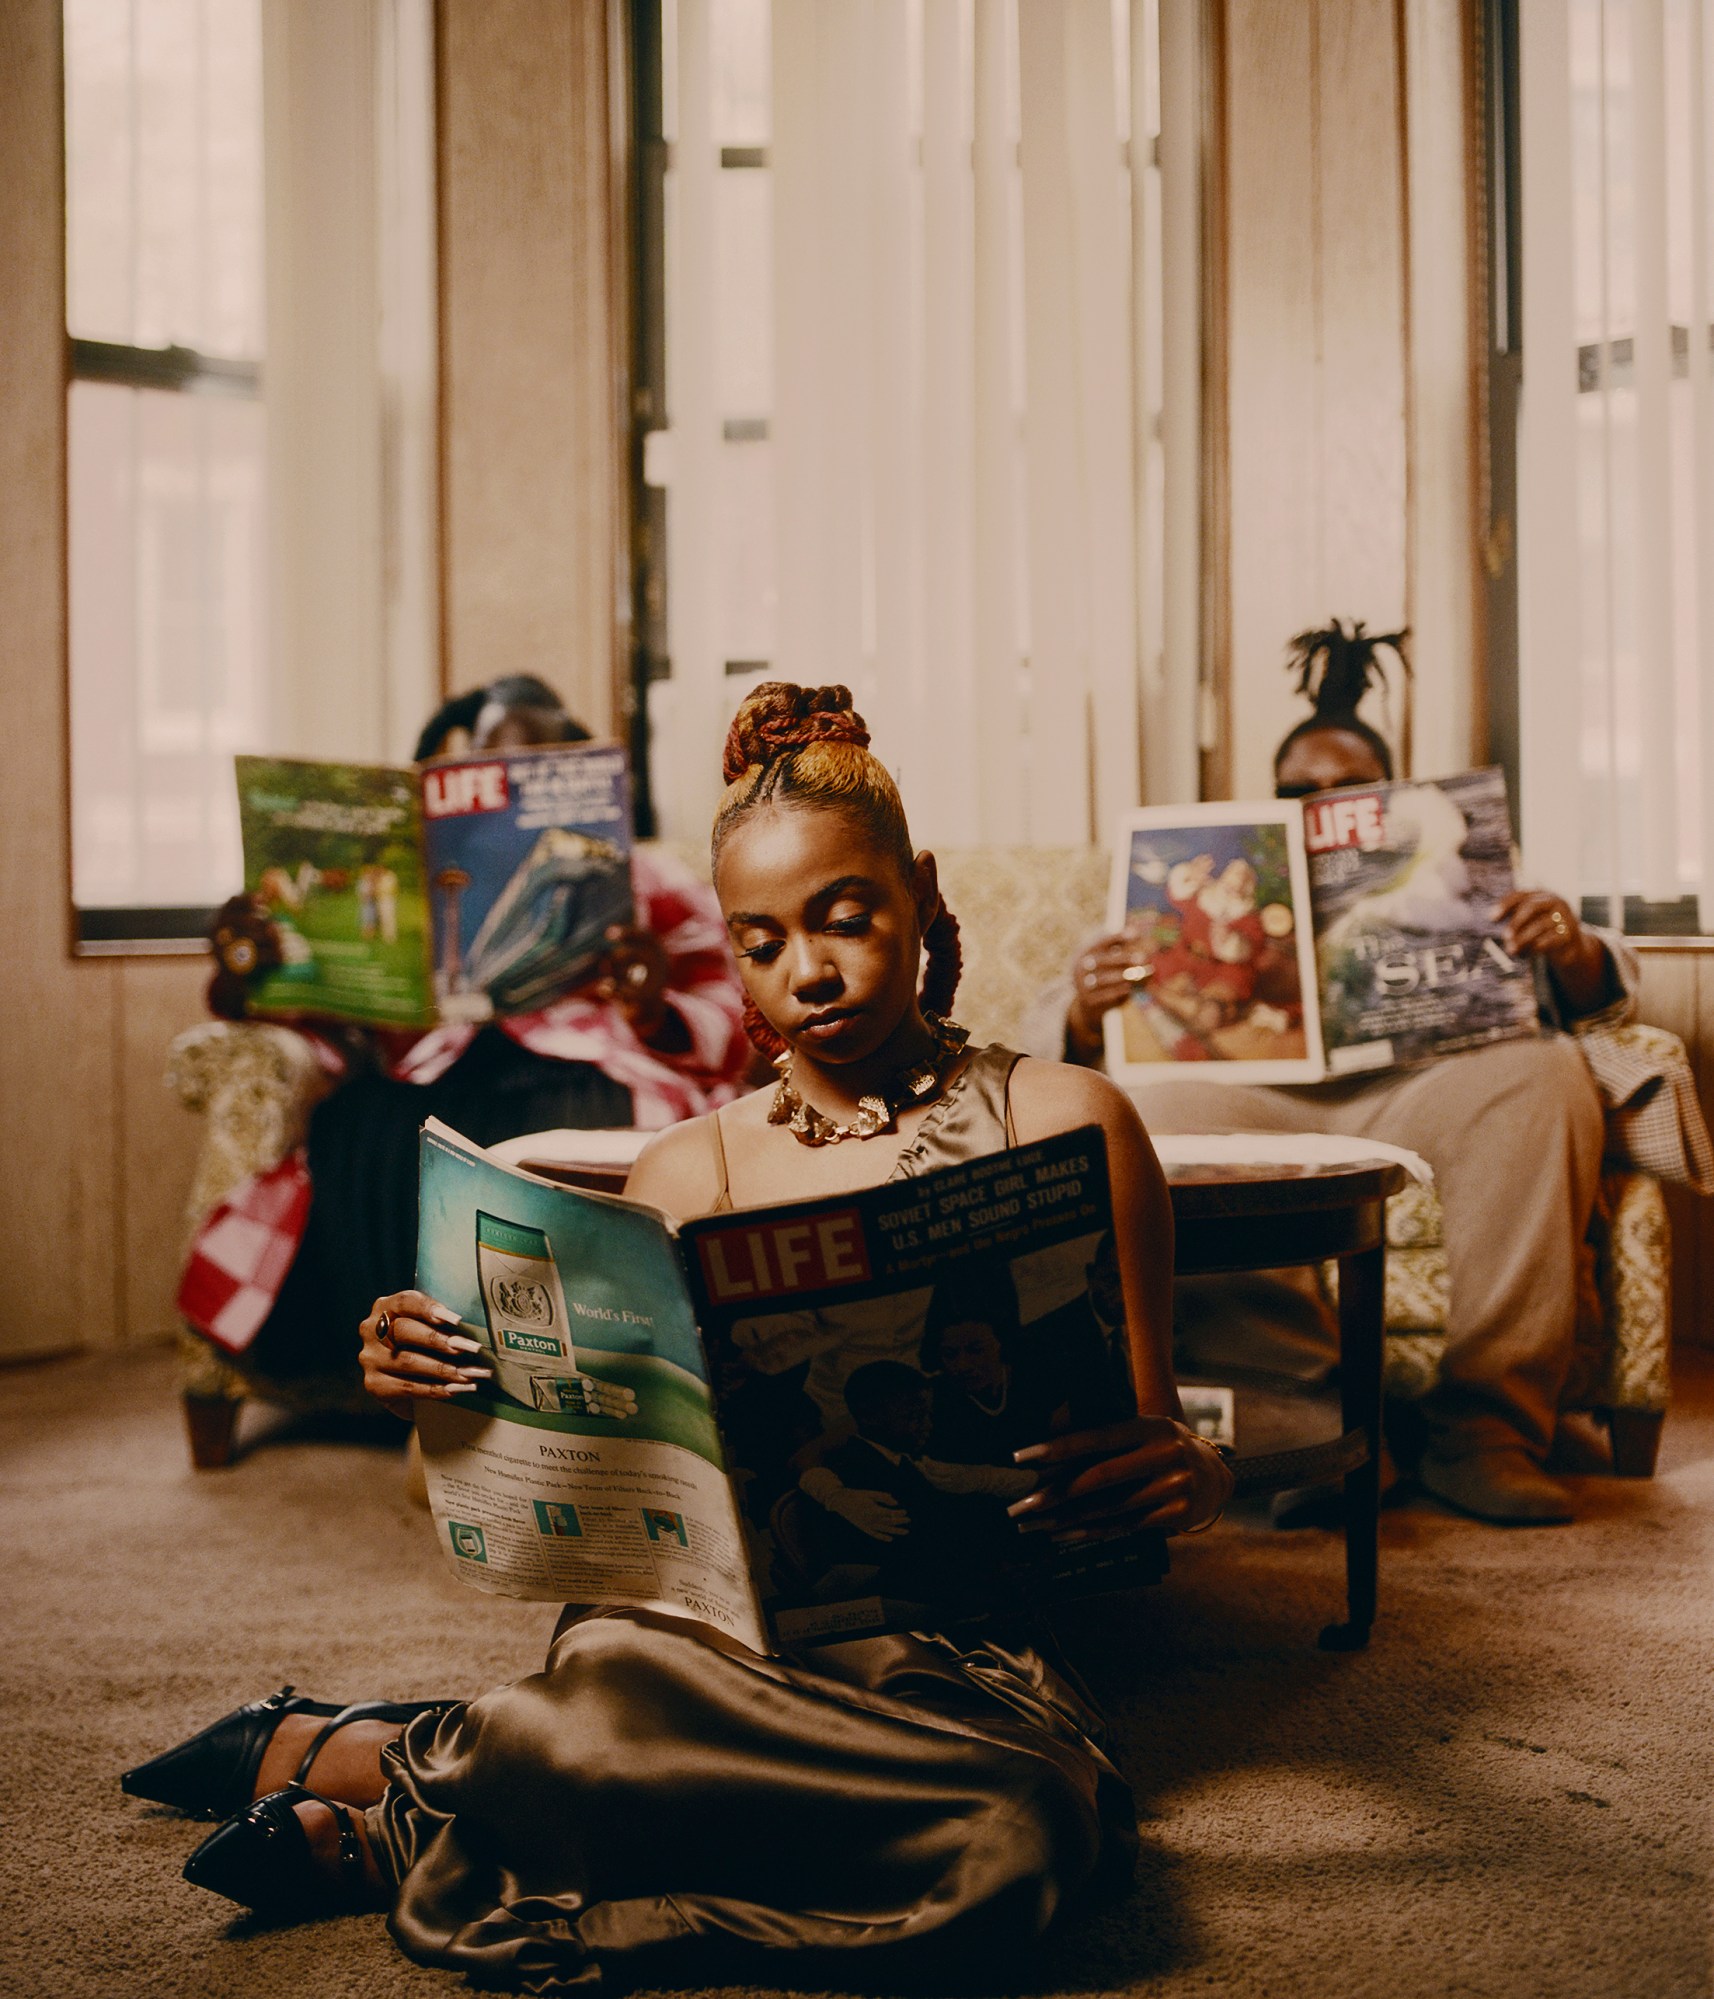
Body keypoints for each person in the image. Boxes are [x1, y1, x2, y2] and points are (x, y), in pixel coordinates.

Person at [127, 680, 1233, 1988]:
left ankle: (442, 1785)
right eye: (761, 941)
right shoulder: (680, 1171)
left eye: (844, 917)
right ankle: (512, 1765)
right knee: (602, 1678)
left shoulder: (1068, 1118)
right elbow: (582, 1489)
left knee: (1023, 1837)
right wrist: (427, 1382)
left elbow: (1158, 1435)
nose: (808, 971)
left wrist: (1190, 1472)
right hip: (708, 1643)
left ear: (919, 889)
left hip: (966, 1666)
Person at [1033, 621, 1633, 1527]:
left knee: (1544, 1076)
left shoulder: (1459, 865)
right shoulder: (1200, 879)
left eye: (1346, 790)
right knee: (1141, 1114)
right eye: (1296, 792)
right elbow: (1058, 1037)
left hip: (1425, 1081)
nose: (1320, 802)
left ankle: (1486, 1431)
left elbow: (1599, 991)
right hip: (1259, 1090)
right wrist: (1084, 1005)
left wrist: (1575, 944)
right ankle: (1311, 1423)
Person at [190, 674, 752, 1381]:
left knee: (564, 1132)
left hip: (586, 1073)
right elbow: (340, 1037)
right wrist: (255, 972)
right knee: (354, 1129)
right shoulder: (421, 887)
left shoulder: (648, 877)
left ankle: (535, 1371)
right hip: (444, 1073)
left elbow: (739, 1003)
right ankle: (405, 1375)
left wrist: (654, 1007)